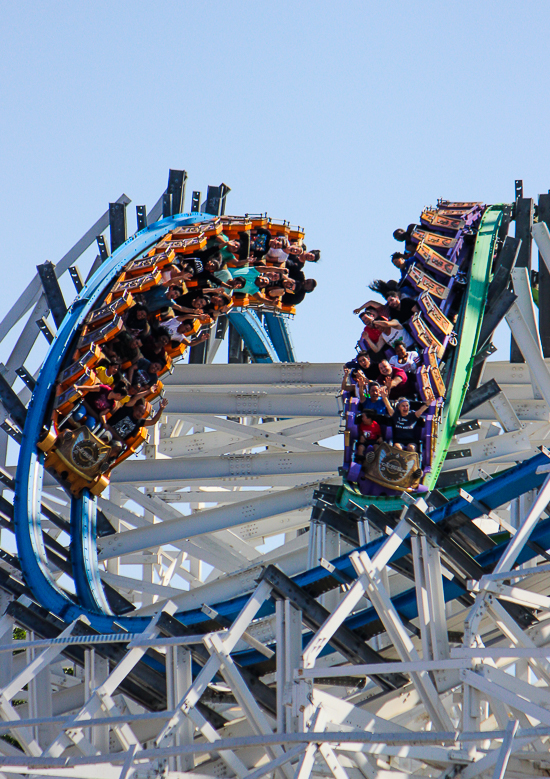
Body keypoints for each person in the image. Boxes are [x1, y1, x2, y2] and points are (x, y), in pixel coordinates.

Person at [380, 390, 429, 457]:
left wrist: (427, 404)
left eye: (407, 406)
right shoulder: (396, 415)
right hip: (398, 440)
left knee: (411, 448)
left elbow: (421, 411)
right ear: (399, 407)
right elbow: (388, 406)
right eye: (403, 406)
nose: (405, 408)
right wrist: (384, 397)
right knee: (398, 448)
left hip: (411, 441)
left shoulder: (412, 415)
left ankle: (412, 465)